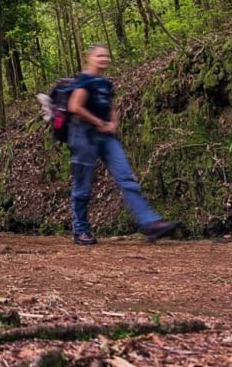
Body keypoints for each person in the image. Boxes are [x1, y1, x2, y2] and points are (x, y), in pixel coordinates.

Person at [65, 43, 179, 245]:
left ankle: (149, 223)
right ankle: (80, 229)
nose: (104, 59)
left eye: (106, 56)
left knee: (126, 177)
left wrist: (113, 123)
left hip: (106, 137)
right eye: (99, 56)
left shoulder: (106, 83)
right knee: (83, 186)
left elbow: (111, 107)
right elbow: (75, 106)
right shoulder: (85, 80)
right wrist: (99, 122)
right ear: (90, 58)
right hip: (84, 136)